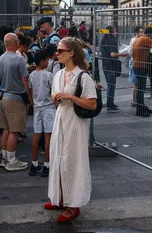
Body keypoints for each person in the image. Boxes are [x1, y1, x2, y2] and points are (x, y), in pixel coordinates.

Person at [44, 37, 98, 223]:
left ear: (71, 53)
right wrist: (57, 98)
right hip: (61, 118)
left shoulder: (83, 76)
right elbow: (56, 95)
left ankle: (73, 205)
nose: (57, 53)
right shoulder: (58, 74)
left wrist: (70, 97)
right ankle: (59, 197)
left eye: (60, 50)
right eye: (57, 51)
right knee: (58, 157)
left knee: (72, 160)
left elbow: (92, 104)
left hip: (75, 122)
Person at [0, 33, 31, 172]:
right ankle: (11, 160)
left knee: (6, 129)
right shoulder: (19, 59)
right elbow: (25, 80)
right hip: (16, 97)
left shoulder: (1, 58)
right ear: (15, 42)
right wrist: (29, 97)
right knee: (14, 131)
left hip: (3, 95)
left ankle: (5, 158)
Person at [28, 50, 55, 177]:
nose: (48, 62)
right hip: (48, 107)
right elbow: (53, 92)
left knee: (37, 135)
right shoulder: (48, 75)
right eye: (46, 60)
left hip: (37, 107)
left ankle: (33, 164)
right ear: (42, 61)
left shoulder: (32, 75)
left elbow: (30, 90)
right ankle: (47, 164)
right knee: (48, 136)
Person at [132, 28, 152, 117]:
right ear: (151, 34)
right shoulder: (147, 39)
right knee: (141, 89)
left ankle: (142, 106)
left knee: (140, 88)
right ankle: (139, 111)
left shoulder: (138, 39)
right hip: (141, 67)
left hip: (136, 65)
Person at [128, 26, 144, 107]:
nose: (142, 33)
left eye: (142, 32)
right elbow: (130, 52)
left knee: (140, 84)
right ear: (136, 33)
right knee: (136, 84)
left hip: (141, 63)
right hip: (134, 63)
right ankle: (134, 101)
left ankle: (138, 101)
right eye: (140, 32)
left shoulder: (143, 39)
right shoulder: (133, 40)